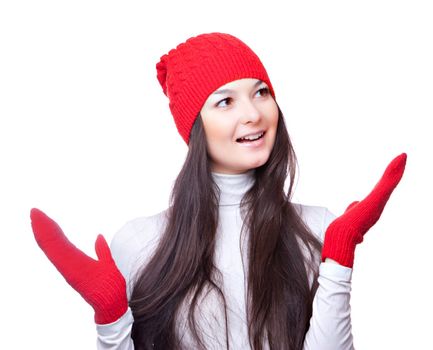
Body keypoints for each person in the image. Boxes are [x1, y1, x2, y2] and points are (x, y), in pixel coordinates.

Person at [30, 32, 407, 350]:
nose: (254, 113)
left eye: (261, 93)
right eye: (225, 101)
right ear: (195, 128)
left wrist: (338, 255)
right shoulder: (140, 243)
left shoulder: (316, 229)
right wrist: (111, 321)